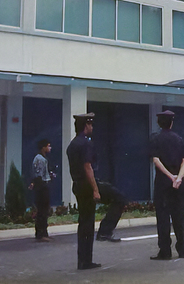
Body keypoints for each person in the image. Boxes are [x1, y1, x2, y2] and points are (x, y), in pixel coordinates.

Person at [66, 113, 127, 271]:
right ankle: (105, 231)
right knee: (120, 198)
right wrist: (95, 189)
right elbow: (88, 167)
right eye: (90, 125)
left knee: (85, 223)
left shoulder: (72, 144)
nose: (92, 127)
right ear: (86, 126)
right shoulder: (86, 144)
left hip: (78, 185)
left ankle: (84, 261)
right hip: (88, 184)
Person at [149, 110, 184, 260]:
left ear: (159, 123)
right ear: (172, 123)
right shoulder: (179, 139)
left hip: (163, 182)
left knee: (163, 217)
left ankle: (165, 251)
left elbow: (156, 160)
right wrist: (178, 178)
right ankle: (182, 249)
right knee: (179, 216)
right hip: (180, 183)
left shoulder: (155, 139)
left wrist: (169, 176)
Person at [30, 138, 54, 242]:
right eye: (48, 146)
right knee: (42, 211)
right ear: (43, 147)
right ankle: (40, 233)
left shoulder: (43, 159)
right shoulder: (40, 159)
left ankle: (43, 232)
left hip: (43, 184)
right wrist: (39, 185)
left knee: (44, 210)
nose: (50, 148)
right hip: (42, 186)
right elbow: (38, 174)